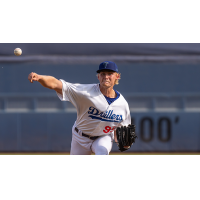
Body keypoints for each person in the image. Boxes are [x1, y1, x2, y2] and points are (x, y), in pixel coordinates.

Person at [28, 61, 131, 155]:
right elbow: (56, 84)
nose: (106, 77)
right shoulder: (85, 92)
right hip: (80, 137)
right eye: (103, 74)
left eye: (110, 74)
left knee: (102, 152)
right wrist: (40, 78)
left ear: (117, 76)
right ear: (98, 77)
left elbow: (124, 129)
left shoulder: (123, 105)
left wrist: (124, 141)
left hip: (103, 137)